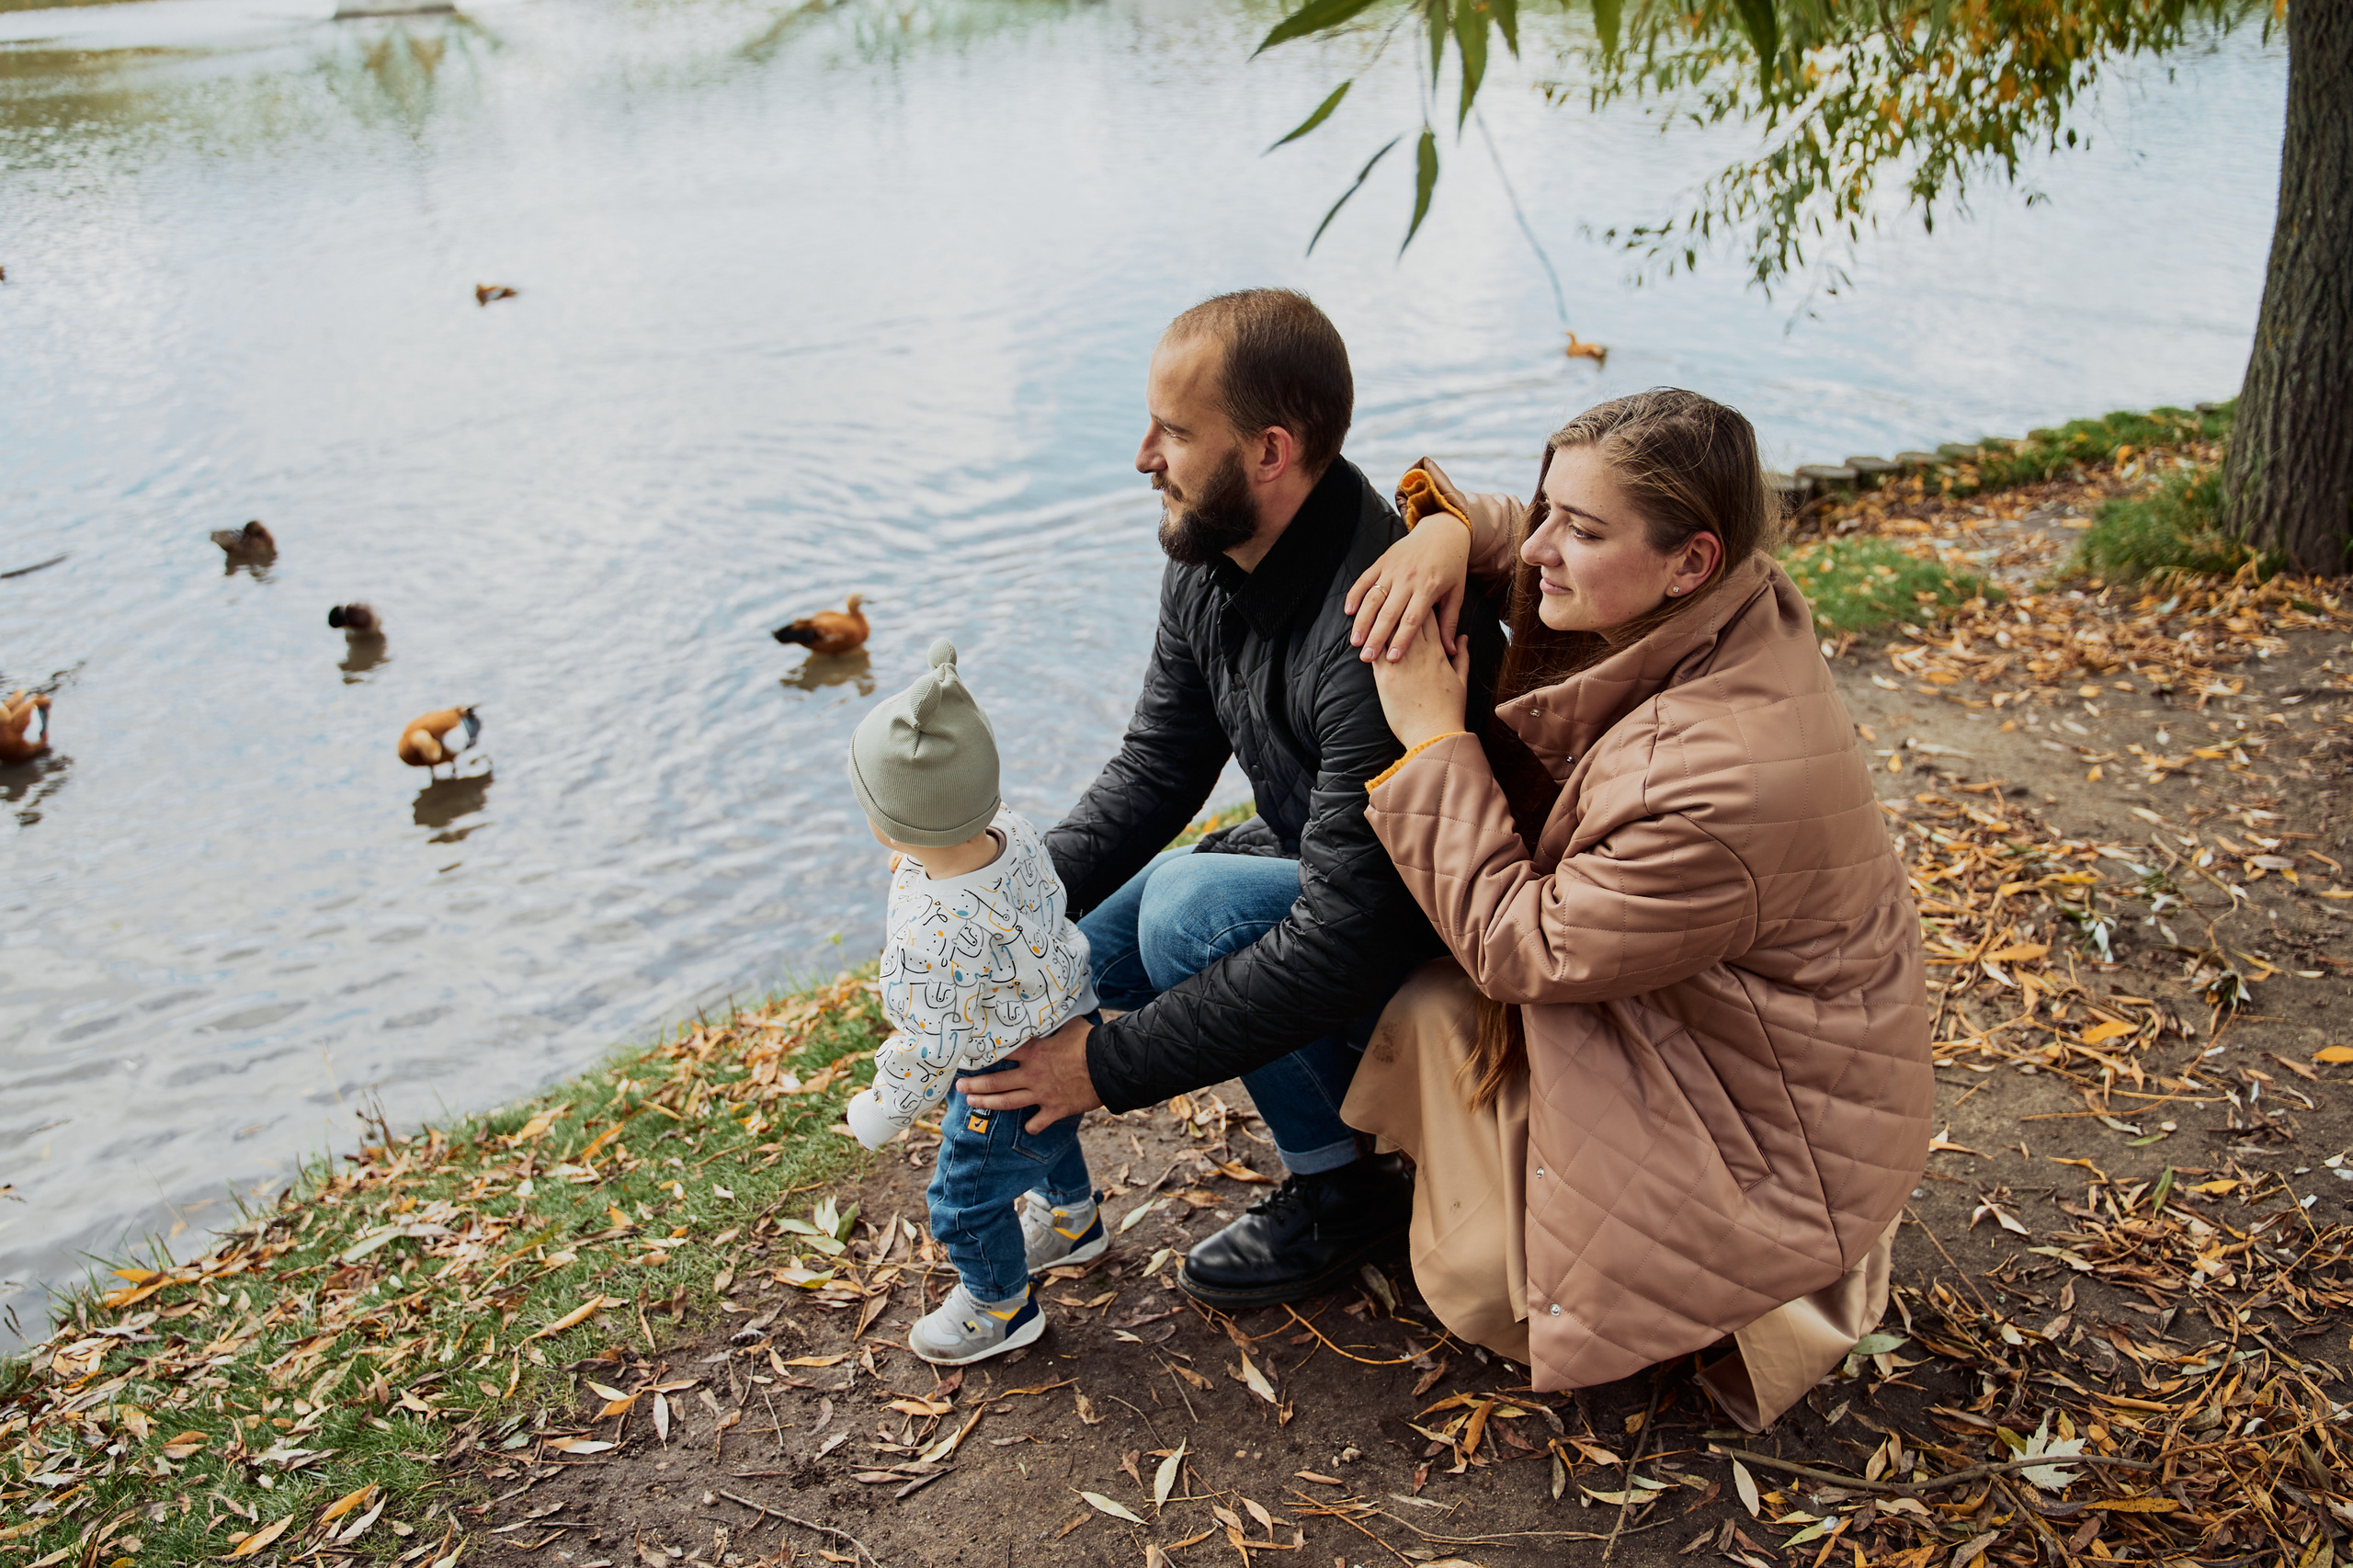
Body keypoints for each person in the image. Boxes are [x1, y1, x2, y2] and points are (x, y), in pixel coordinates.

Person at [1340, 388, 1934, 1429]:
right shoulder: (1727, 607)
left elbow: (1517, 949)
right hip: (1792, 1070)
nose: (1537, 554)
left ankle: (1659, 1307)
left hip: (1780, 1148)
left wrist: (1434, 737)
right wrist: (1446, 529)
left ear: (1689, 561)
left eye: (1582, 530)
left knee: (1429, 998)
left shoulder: (1710, 778)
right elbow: (1532, 534)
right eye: (1546, 512)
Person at [955, 288, 1505, 1308]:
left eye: (1172, 430)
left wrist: (1104, 1067)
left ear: (1269, 451)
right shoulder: (1213, 558)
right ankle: (1046, 1195)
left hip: (1444, 928)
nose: (1142, 457)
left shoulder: (1378, 623)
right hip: (1342, 869)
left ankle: (1344, 1191)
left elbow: (1347, 932)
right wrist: (1000, 899)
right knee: (1058, 938)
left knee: (1186, 909)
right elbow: (1159, 763)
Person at [841, 640, 1106, 1366]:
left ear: (891, 825)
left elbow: (929, 1045)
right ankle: (1074, 1223)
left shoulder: (930, 934)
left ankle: (1000, 1306)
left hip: (999, 1077)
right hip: (1064, 1018)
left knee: (963, 1199)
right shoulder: (1008, 831)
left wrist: (883, 1107)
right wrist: (922, 847)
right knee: (1053, 1135)